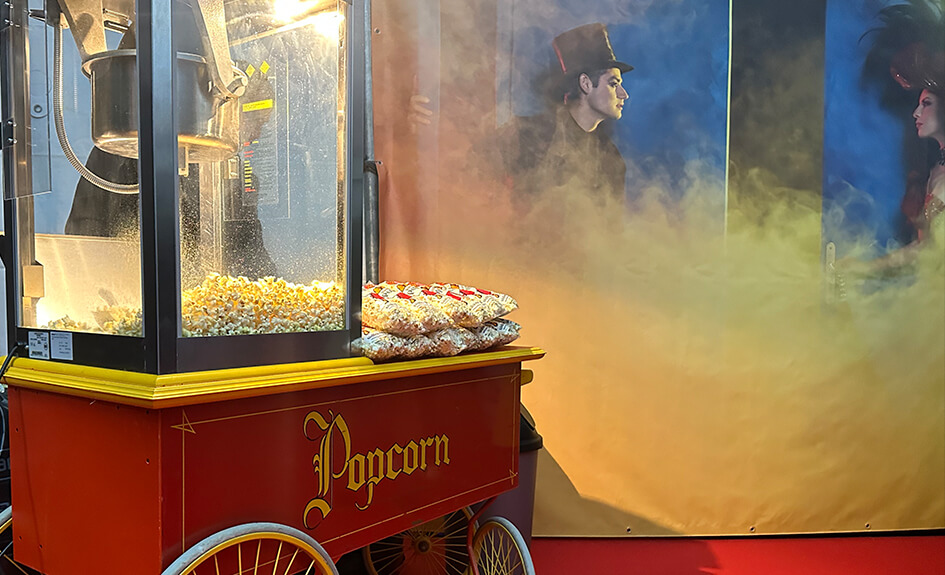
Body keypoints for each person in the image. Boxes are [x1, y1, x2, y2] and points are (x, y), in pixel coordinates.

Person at [497, 23, 632, 208]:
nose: (623, 94)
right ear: (585, 84)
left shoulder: (611, 159)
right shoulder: (527, 134)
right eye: (613, 84)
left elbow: (611, 223)